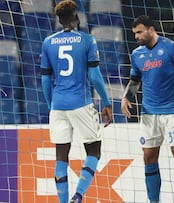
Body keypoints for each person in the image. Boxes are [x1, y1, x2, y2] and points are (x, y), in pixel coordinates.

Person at [40, 1, 113, 203]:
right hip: (80, 103)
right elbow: (96, 77)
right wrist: (107, 103)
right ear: (76, 17)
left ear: (58, 19)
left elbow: (45, 79)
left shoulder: (48, 42)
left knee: (61, 156)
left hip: (58, 105)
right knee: (94, 151)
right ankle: (78, 196)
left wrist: (51, 105)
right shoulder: (87, 40)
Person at [120, 15, 174, 203]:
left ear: (151, 29)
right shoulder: (137, 54)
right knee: (149, 157)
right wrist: (127, 97)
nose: (136, 36)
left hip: (172, 111)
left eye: (139, 32)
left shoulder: (171, 48)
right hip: (148, 113)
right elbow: (135, 80)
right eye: (134, 33)